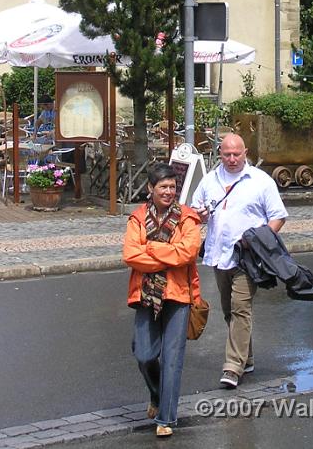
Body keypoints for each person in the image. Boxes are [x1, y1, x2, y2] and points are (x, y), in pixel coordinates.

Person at [191, 133, 288, 389]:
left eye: (237, 154)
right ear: (219, 154)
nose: (232, 159)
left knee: (240, 307)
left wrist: (260, 241)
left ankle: (233, 366)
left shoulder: (260, 181)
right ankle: (248, 357)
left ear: (245, 152)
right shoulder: (210, 180)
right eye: (227, 154)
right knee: (228, 311)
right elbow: (195, 211)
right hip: (218, 254)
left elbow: (278, 216)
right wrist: (199, 215)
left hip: (248, 258)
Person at [122, 164, 202, 437]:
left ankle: (166, 419)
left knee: (172, 358)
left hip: (178, 294)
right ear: (150, 189)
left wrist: (152, 249)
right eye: (163, 187)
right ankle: (156, 393)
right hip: (145, 295)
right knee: (144, 354)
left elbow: (188, 253)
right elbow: (131, 255)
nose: (168, 192)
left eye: (172, 187)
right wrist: (168, 253)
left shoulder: (188, 218)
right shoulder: (138, 217)